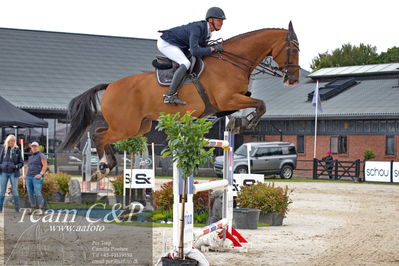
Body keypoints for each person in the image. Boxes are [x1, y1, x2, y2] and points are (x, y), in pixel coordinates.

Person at [157, 7, 226, 105]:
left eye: (222, 21)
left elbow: (202, 49)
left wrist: (214, 47)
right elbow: (195, 51)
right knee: (186, 63)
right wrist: (213, 49)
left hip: (179, 44)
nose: (221, 23)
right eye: (219, 20)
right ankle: (169, 95)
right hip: (166, 43)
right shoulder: (197, 28)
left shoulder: (208, 34)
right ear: (210, 20)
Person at [0, 135, 24, 212]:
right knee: (2, 191)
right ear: (7, 141)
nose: (12, 142)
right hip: (3, 173)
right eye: (10, 140)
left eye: (13, 141)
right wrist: (1, 166)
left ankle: (17, 209)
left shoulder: (17, 150)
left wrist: (16, 166)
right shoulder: (3, 149)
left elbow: (21, 163)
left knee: (15, 190)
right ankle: (0, 208)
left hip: (14, 173)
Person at [23, 142, 47, 214]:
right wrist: (25, 175)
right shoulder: (31, 157)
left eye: (35, 146)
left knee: (37, 193)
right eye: (33, 147)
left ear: (38, 147)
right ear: (31, 148)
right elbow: (28, 167)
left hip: (36, 177)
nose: (34, 148)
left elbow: (45, 165)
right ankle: (33, 207)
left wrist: (41, 174)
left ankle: (42, 209)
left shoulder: (41, 155)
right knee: (30, 193)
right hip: (29, 177)